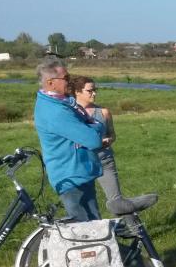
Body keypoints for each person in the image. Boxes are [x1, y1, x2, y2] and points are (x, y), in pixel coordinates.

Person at [68, 76, 157, 215]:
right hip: (81, 163)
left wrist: (109, 140)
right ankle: (95, 233)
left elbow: (113, 134)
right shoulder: (69, 114)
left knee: (117, 202)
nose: (94, 93)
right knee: (85, 205)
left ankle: (135, 232)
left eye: (95, 90)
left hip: (104, 161)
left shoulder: (104, 112)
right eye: (90, 91)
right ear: (77, 92)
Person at [32, 56, 104, 221]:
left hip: (78, 171)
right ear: (51, 82)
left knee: (92, 225)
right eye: (66, 78)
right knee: (86, 231)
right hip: (71, 176)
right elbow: (93, 139)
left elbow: (90, 126)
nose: (69, 81)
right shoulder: (55, 111)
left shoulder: (63, 102)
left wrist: (92, 126)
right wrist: (96, 126)